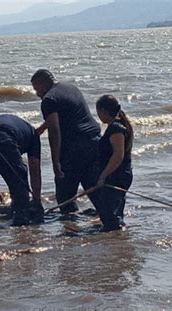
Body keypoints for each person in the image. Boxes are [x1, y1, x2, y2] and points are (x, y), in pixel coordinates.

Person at [31, 69, 102, 214]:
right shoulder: (70, 88)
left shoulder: (49, 99)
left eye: (36, 89)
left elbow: (55, 131)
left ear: (43, 84)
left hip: (74, 148)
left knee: (64, 194)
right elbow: (67, 113)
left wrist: (56, 162)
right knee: (94, 187)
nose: (37, 93)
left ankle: (70, 228)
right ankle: (110, 221)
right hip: (94, 142)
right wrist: (41, 128)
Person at [0, 114, 43, 225]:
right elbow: (35, 169)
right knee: (19, 176)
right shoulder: (33, 136)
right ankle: (21, 217)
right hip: (4, 135)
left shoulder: (23, 129)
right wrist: (37, 200)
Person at [95, 95, 134, 231]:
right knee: (112, 211)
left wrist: (103, 176)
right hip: (117, 175)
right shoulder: (117, 126)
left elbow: (118, 155)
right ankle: (117, 234)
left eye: (98, 112)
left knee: (110, 214)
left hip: (116, 176)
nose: (98, 116)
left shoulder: (116, 129)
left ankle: (116, 237)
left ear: (104, 111)